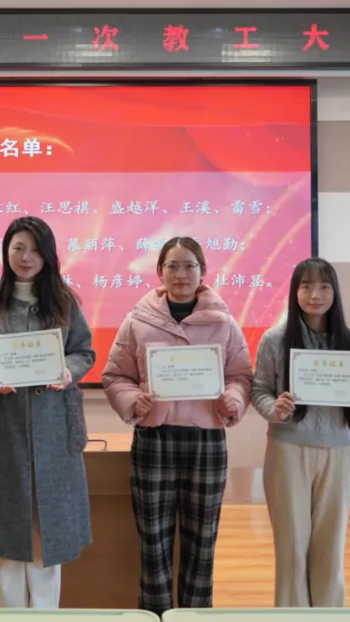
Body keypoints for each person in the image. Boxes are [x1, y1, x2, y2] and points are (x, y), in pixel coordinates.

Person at [101, 236, 252, 613]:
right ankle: (154, 617)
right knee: (153, 544)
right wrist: (133, 400)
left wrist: (232, 399)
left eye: (189, 265)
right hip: (155, 440)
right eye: (172, 265)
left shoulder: (225, 323)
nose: (181, 273)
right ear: (159, 272)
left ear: (203, 272)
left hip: (206, 442)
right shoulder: (138, 321)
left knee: (202, 544)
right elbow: (115, 375)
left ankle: (194, 617)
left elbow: (241, 376)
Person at [0, 216, 96, 608]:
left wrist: (68, 371)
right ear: (6, 251)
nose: (25, 256)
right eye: (17, 247)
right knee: (8, 537)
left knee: (48, 538)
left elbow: (84, 352)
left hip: (54, 431)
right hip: (5, 433)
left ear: (47, 255)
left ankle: (46, 615)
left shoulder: (65, 302)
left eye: (34, 249)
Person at [251, 257, 350, 608]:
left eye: (324, 286)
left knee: (330, 543)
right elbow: (259, 390)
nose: (316, 295)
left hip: (338, 450)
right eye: (307, 286)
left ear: (335, 292)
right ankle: (292, 615)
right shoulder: (274, 339)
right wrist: (275, 408)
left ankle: (329, 613)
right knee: (292, 546)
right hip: (288, 450)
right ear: (294, 292)